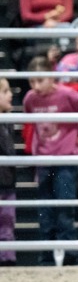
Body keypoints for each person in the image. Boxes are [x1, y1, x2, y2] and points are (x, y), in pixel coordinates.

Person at [23, 56, 78, 266]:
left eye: (40, 80)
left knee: (65, 208)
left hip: (66, 159)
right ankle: (46, 255)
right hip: (43, 160)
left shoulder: (66, 95)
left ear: (53, 77)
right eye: (32, 81)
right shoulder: (30, 99)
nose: (36, 86)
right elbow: (30, 122)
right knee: (45, 209)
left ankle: (70, 256)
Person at [0, 78, 17, 267]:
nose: (11, 95)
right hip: (5, 179)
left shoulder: (9, 121)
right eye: (5, 92)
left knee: (7, 221)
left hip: (7, 181)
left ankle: (7, 259)